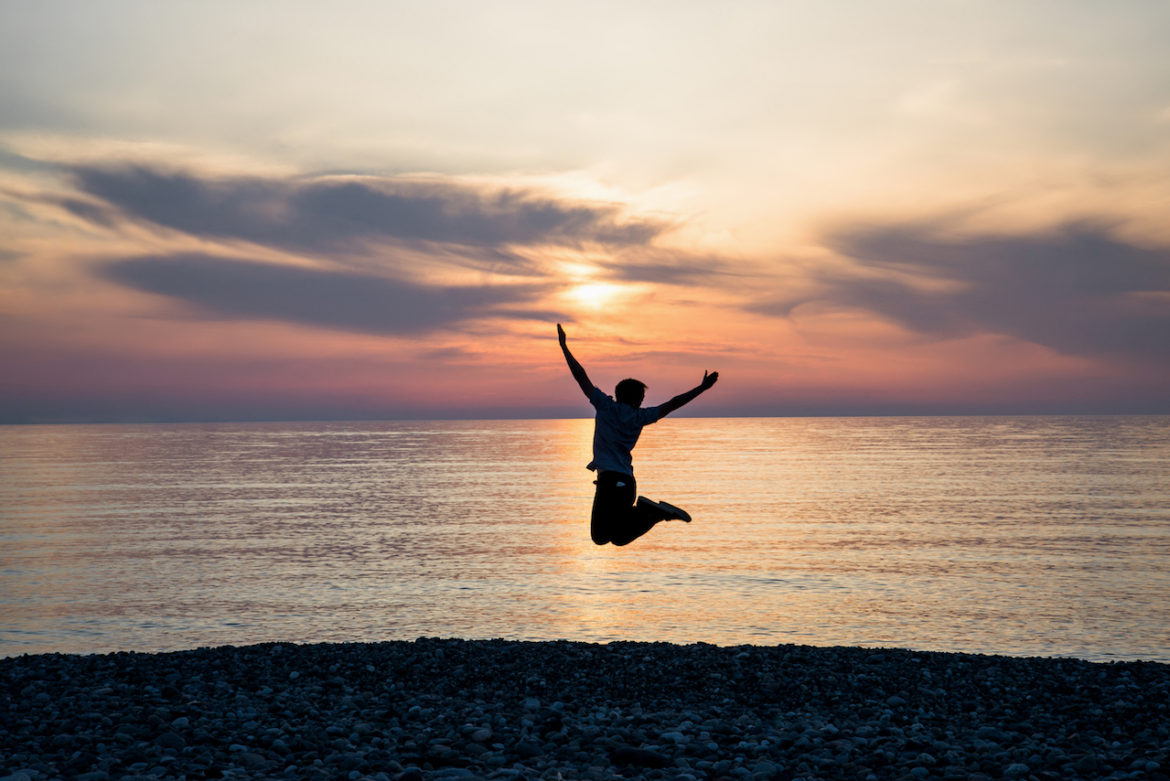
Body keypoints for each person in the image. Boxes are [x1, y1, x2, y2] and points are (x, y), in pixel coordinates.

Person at [557, 323, 719, 546]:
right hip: (625, 483)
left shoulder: (605, 407)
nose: (642, 401)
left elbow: (580, 375)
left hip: (611, 482)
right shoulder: (641, 416)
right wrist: (701, 389)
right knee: (616, 537)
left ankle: (653, 513)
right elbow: (673, 404)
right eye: (641, 398)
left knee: (601, 537)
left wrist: (564, 347)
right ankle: (651, 512)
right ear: (634, 399)